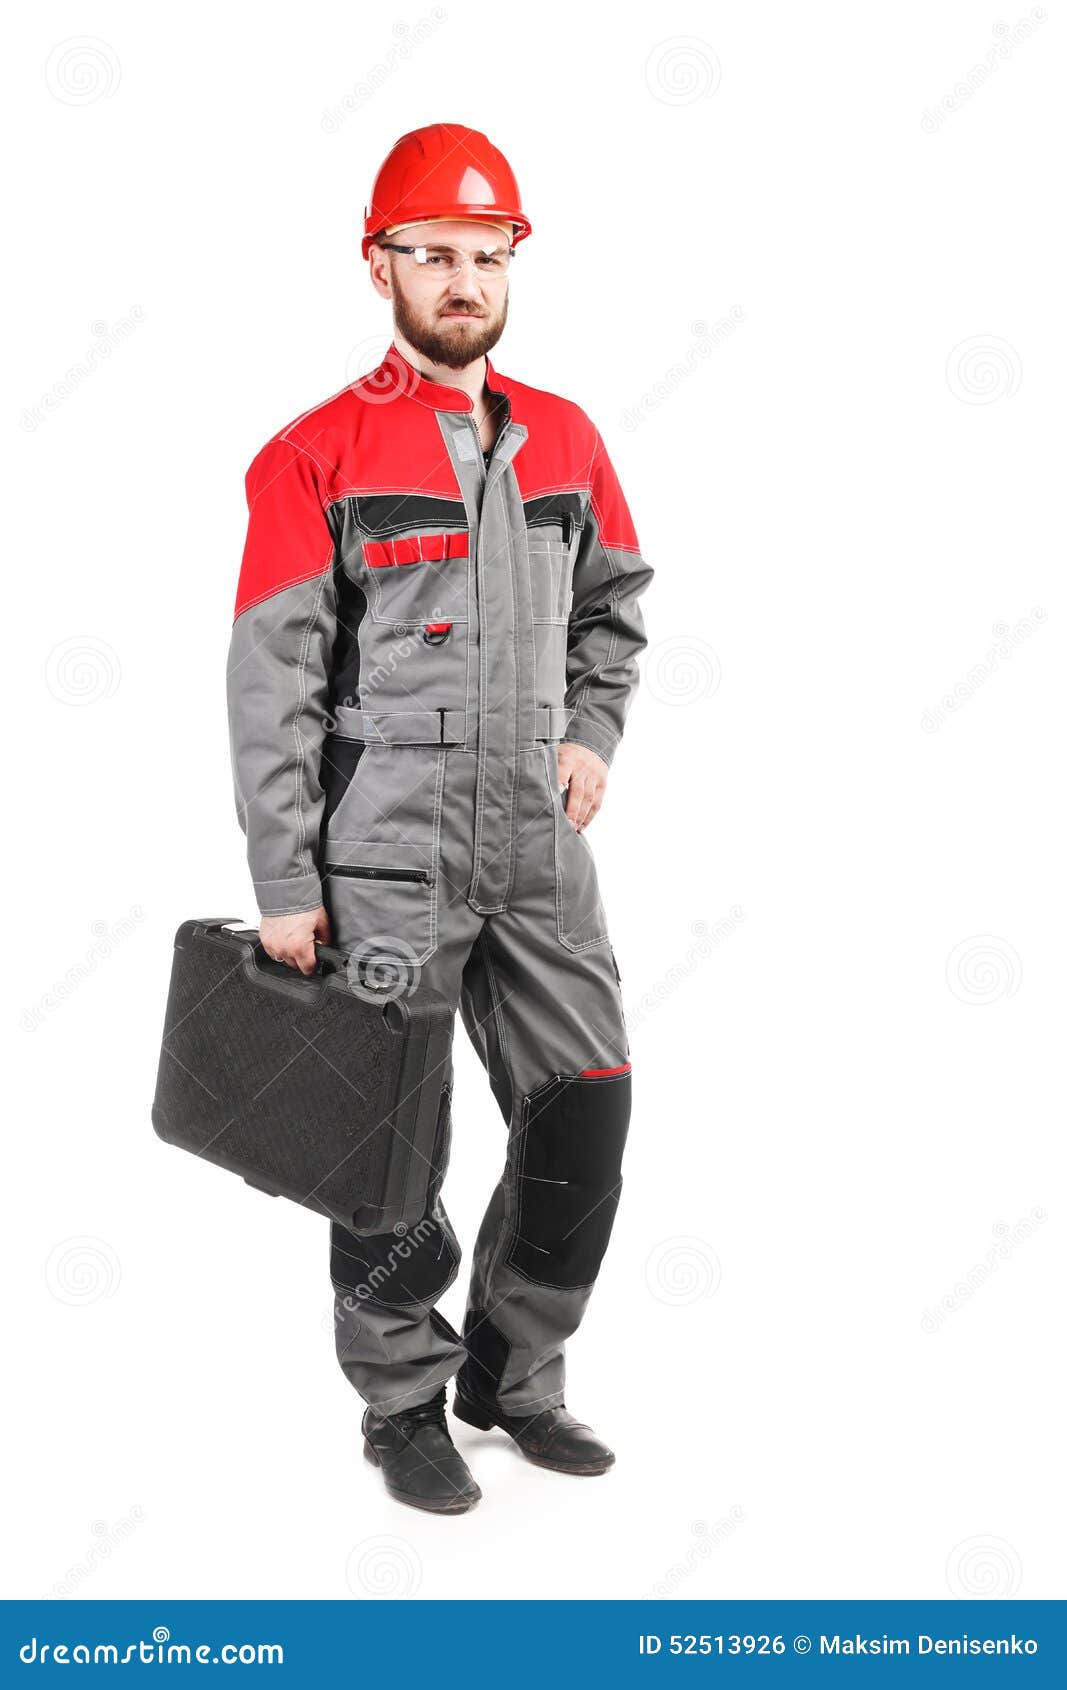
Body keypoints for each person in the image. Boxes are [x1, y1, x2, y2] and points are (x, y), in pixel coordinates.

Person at [226, 123, 654, 1514]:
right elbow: (274, 679)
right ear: (381, 266)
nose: (464, 279)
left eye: (487, 253)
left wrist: (590, 732)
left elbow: (615, 607)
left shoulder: (569, 436)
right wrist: (286, 876)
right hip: (383, 846)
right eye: (434, 254)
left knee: (586, 1106)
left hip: (535, 840)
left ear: (511, 263)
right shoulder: (314, 455)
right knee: (388, 1142)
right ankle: (401, 1400)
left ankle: (515, 1377)